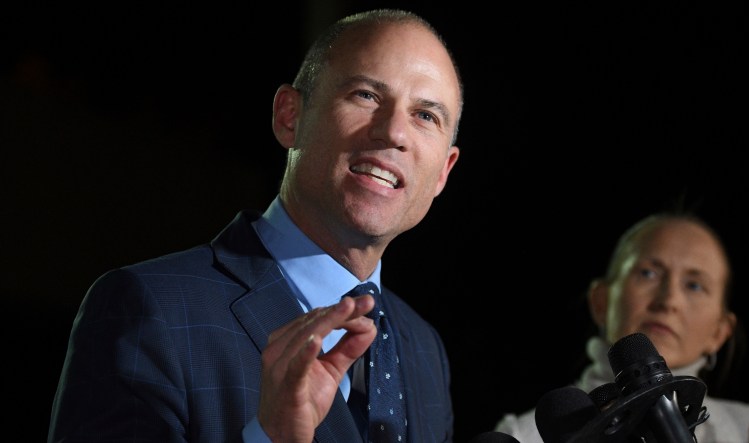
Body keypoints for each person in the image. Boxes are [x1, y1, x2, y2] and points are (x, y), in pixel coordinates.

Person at [48, 8, 463, 443]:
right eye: (366, 95)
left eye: (426, 116)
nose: (394, 131)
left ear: (442, 173)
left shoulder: (423, 347)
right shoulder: (149, 309)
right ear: (289, 116)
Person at [494, 212, 749, 443]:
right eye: (648, 273)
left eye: (694, 285)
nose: (669, 300)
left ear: (720, 332)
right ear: (601, 301)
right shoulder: (524, 435)